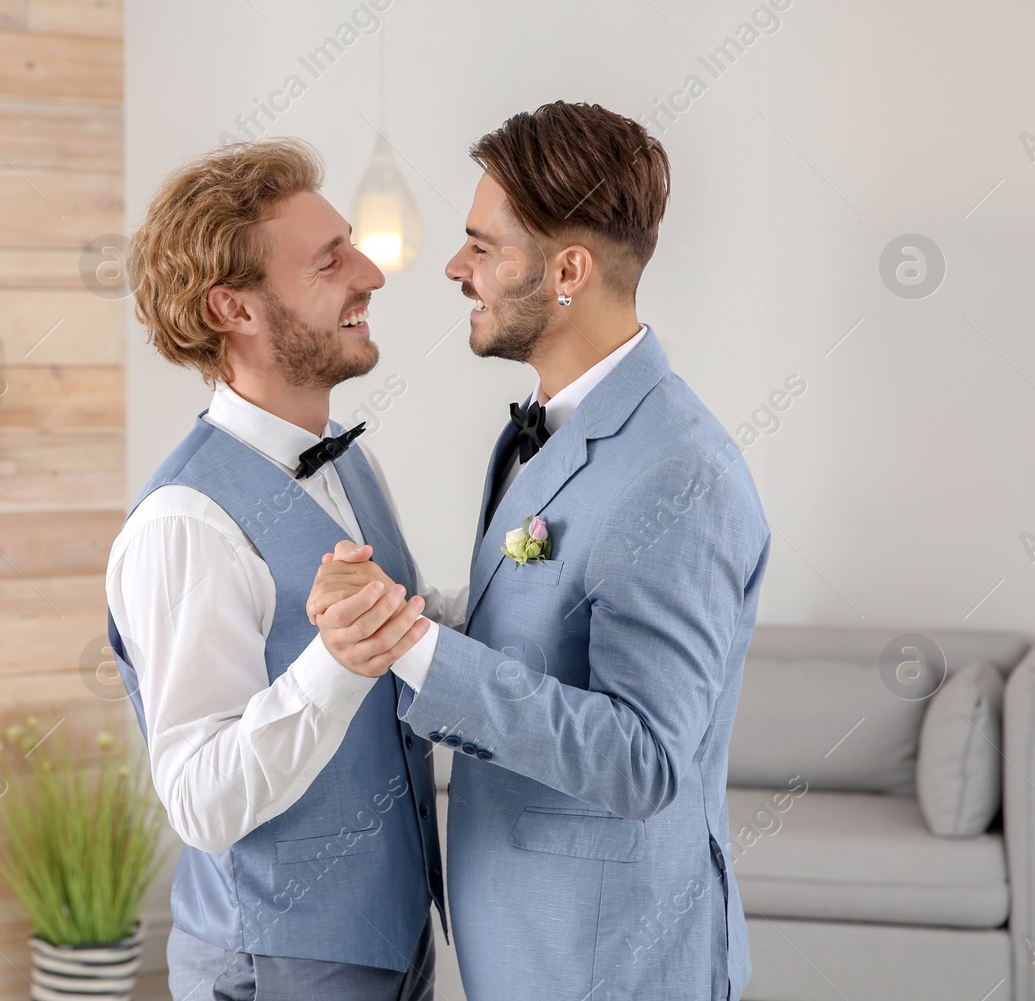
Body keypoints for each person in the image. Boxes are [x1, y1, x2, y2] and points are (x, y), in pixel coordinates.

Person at [308, 101, 771, 1000]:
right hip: (523, 950)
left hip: (611, 964)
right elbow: (531, 636)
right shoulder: (543, 431)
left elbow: (646, 760)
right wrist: (402, 615)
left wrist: (415, 651)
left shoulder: (680, 476)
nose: (454, 267)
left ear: (568, 271)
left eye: (483, 246)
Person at [105, 137, 452, 1000]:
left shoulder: (347, 465)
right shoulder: (186, 523)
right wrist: (336, 661)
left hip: (394, 941)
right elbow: (199, 799)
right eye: (330, 260)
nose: (370, 273)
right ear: (235, 308)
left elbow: (402, 630)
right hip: (277, 966)